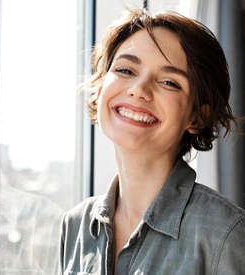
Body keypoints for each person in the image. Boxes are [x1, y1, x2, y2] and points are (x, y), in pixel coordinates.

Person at [60, 8, 245, 274]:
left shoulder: (225, 234)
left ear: (197, 116)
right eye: (125, 69)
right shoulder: (75, 226)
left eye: (169, 82)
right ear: (100, 89)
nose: (139, 90)